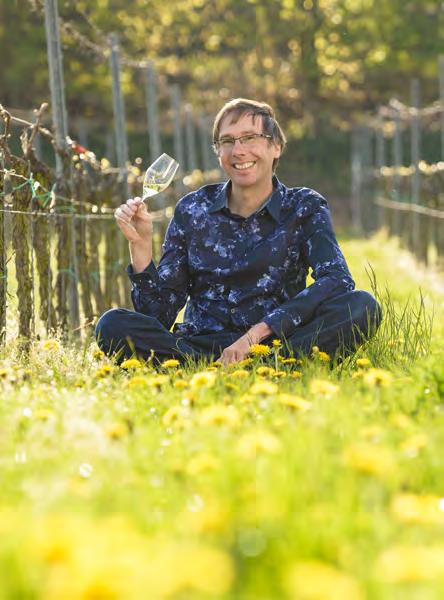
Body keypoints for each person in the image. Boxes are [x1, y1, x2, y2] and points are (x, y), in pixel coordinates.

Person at [95, 98, 381, 366]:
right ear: (218, 152)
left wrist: (256, 335)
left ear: (276, 146)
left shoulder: (304, 207)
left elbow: (337, 280)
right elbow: (157, 317)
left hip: (277, 343)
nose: (238, 150)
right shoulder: (192, 210)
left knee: (362, 307)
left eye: (249, 138)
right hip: (199, 344)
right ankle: (213, 366)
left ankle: (270, 366)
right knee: (112, 325)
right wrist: (141, 246)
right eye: (227, 141)